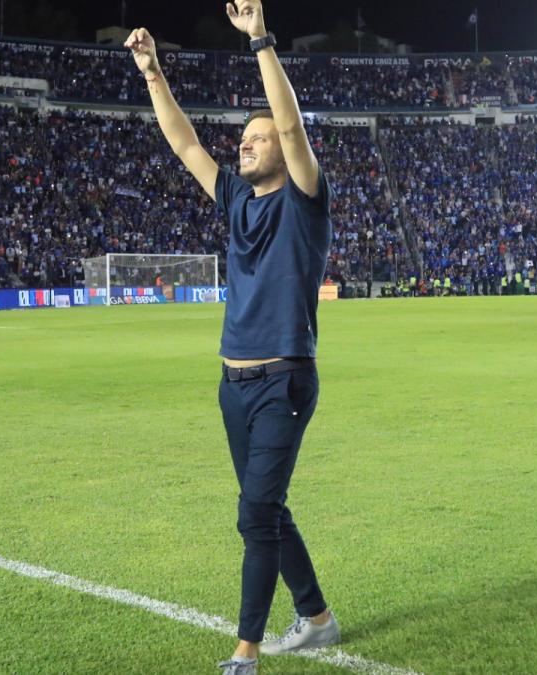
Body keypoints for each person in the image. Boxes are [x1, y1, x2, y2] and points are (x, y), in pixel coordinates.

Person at [126, 4, 339, 672]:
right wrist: (154, 74)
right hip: (232, 386)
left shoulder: (304, 199)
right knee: (267, 507)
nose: (244, 144)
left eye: (257, 137)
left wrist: (260, 42)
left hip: (283, 378)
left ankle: (245, 651)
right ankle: (319, 616)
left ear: (282, 149)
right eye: (243, 138)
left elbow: (294, 124)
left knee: (255, 513)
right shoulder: (238, 200)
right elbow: (187, 145)